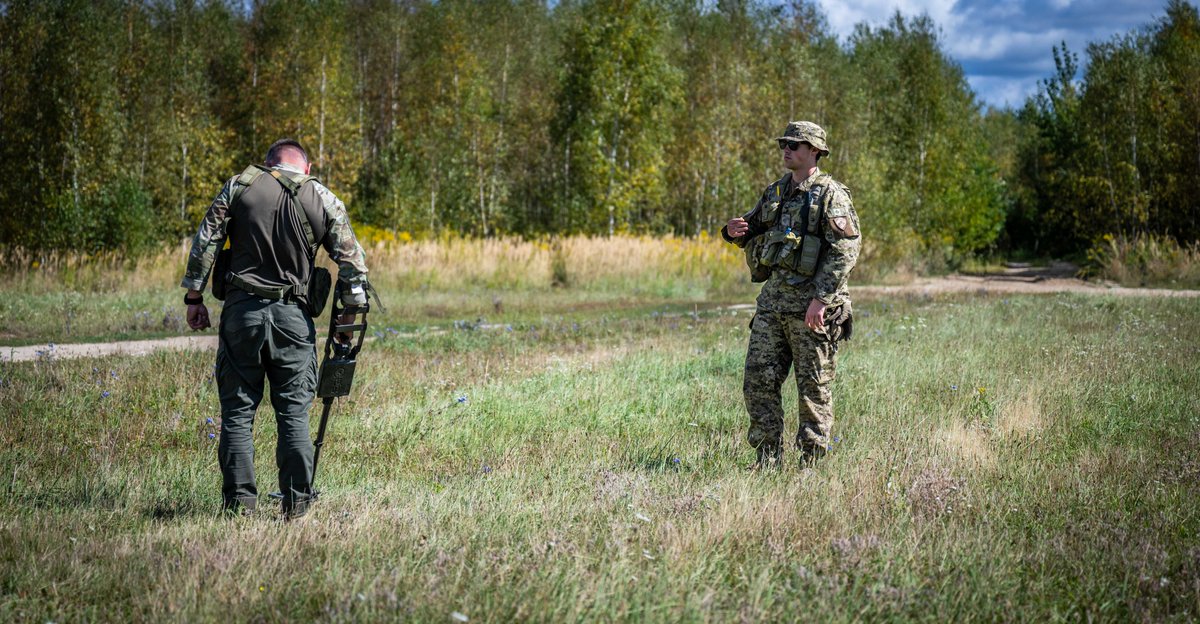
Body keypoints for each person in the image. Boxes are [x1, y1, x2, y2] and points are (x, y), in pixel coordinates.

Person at [181, 138, 370, 518]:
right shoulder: (322, 197)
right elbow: (353, 269)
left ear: (269, 163)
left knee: (236, 412)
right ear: (306, 165)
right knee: (294, 414)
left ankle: (239, 509)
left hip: (241, 314)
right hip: (292, 320)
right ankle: (297, 506)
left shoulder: (240, 186)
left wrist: (194, 298)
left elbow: (207, 242)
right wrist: (347, 326)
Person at [721, 121, 860, 469]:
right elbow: (751, 228)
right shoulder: (776, 192)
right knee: (758, 383)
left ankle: (810, 467)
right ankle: (767, 461)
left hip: (812, 312)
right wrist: (731, 232)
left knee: (813, 391)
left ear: (815, 151)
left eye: (795, 145)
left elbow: (846, 250)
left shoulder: (831, 195)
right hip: (772, 306)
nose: (787, 149)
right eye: (785, 143)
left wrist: (821, 299)